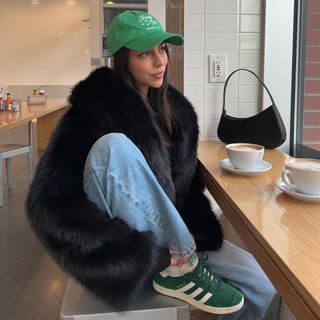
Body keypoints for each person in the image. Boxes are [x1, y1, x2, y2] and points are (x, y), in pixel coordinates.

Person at [26, 10, 279, 319]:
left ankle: (183, 262)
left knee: (262, 284)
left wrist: (198, 229)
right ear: (123, 61)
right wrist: (119, 253)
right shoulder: (91, 111)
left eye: (162, 49)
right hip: (136, 248)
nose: (160, 61)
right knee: (114, 146)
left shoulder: (179, 113)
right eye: (145, 53)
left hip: (174, 239)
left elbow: (187, 190)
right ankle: (182, 265)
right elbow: (47, 204)